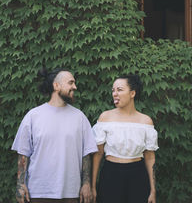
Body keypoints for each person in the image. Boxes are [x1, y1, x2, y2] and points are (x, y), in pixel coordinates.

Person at [11, 68, 98, 203]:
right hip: (39, 192)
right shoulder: (33, 116)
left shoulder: (79, 117)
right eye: (70, 83)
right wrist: (20, 185)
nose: (74, 87)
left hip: (71, 192)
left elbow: (86, 153)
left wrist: (86, 184)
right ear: (56, 86)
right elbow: (23, 153)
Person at [92, 74, 159, 203]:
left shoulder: (145, 121)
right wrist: (93, 186)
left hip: (138, 176)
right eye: (113, 90)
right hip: (110, 174)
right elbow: (98, 153)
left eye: (120, 90)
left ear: (132, 93)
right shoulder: (105, 118)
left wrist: (153, 190)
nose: (115, 94)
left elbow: (150, 157)